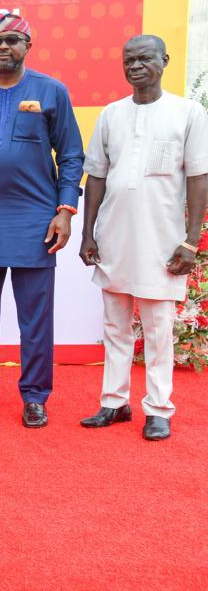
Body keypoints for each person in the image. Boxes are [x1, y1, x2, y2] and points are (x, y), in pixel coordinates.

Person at [0, 13, 85, 428]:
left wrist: (64, 211)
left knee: (35, 318)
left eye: (12, 40)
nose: (3, 47)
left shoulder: (51, 91)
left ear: (28, 46)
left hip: (35, 222)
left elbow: (72, 156)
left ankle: (36, 396)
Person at [78, 35, 208, 441]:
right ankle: (114, 403)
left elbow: (198, 178)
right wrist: (89, 233)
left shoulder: (187, 113)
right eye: (128, 59)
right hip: (114, 238)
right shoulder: (112, 114)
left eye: (144, 58)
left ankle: (158, 408)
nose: (135, 66)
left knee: (157, 330)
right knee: (115, 326)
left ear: (164, 61)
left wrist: (190, 241)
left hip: (162, 243)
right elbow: (96, 175)